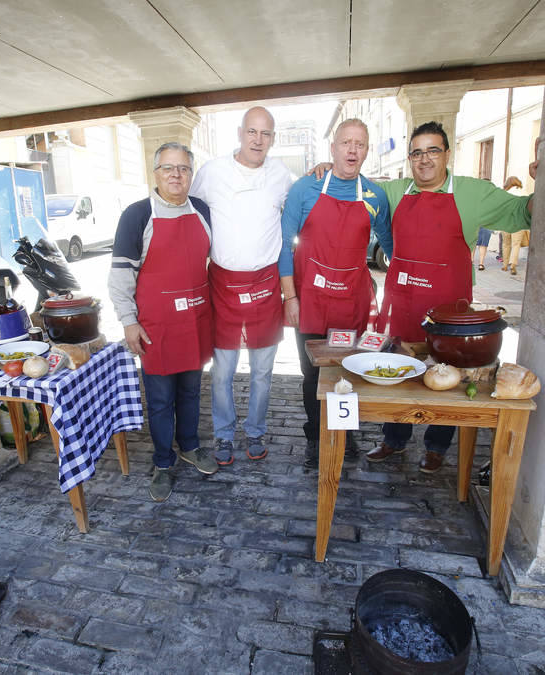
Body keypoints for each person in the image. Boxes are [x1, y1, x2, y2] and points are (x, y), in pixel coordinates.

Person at [368, 121, 537, 473]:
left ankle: (436, 447)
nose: (425, 159)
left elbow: (523, 211)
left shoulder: (473, 192)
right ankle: (394, 439)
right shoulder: (395, 191)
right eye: (417, 152)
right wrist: (326, 170)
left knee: (447, 375)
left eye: (433, 150)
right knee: (397, 369)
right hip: (402, 305)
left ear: (447, 154)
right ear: (410, 159)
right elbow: (353, 189)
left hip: (449, 312)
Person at [108, 142, 218, 502]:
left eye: (183, 168)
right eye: (168, 168)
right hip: (156, 325)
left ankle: (189, 445)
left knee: (191, 391)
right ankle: (163, 462)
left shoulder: (202, 210)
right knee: (159, 399)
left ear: (191, 174)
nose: (176, 174)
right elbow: (120, 276)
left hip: (195, 320)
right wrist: (128, 321)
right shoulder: (137, 215)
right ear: (155, 173)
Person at [280, 119, 392, 469]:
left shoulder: (375, 195)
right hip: (310, 300)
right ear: (333, 148)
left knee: (348, 369)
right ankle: (316, 437)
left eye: (360, 143)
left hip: (351, 303)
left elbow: (391, 247)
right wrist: (290, 298)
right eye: (346, 142)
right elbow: (283, 246)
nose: (352, 150)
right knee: (312, 373)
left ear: (367, 150)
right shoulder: (305, 188)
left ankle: (345, 432)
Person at [189, 107, 293, 466]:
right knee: (222, 371)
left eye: (265, 133)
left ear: (273, 138)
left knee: (262, 371)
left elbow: (300, 205)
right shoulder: (211, 172)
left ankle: (256, 431)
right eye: (252, 131)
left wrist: (322, 170)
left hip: (265, 285)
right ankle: (223, 433)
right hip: (223, 286)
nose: (258, 140)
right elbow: (190, 212)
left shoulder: (281, 174)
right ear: (240, 132)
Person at [499, 176, 526, 275]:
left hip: (505, 222)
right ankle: (513, 265)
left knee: (506, 244)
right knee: (516, 244)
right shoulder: (523, 193)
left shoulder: (503, 194)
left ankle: (505, 265)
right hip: (518, 222)